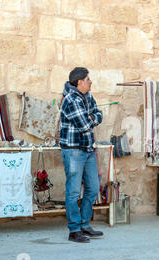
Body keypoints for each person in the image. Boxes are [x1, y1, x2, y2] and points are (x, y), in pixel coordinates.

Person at [60, 67, 104, 243]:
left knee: (93, 188)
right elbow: (84, 125)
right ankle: (74, 229)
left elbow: (100, 115)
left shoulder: (88, 97)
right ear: (79, 82)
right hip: (73, 151)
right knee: (74, 192)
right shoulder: (70, 99)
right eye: (88, 79)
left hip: (87, 149)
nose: (90, 81)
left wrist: (92, 117)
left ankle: (85, 224)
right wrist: (92, 118)